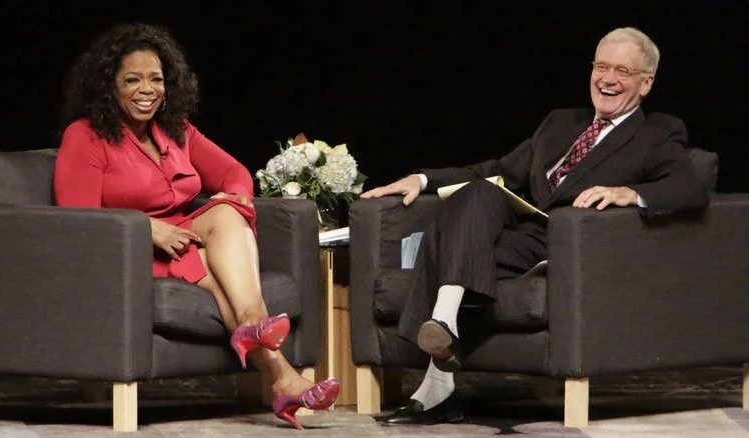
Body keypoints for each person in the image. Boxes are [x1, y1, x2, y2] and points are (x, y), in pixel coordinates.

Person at [361, 27, 710, 425]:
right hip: (521, 235)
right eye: (601, 66)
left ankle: (437, 383)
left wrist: (629, 193)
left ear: (645, 83)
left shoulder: (657, 132)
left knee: (444, 244)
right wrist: (421, 179)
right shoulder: (560, 122)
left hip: (569, 242)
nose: (608, 79)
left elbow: (689, 188)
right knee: (480, 191)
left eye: (622, 71)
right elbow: (498, 170)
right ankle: (444, 319)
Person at [53, 22, 338, 430]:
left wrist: (235, 197)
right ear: (108, 86)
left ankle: (255, 324)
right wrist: (146, 228)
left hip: (183, 238)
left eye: (156, 79)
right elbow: (77, 218)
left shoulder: (176, 130)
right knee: (221, 279)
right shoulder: (86, 136)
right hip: (128, 253)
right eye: (132, 79)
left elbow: (235, 173)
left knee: (227, 212)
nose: (147, 89)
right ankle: (283, 378)